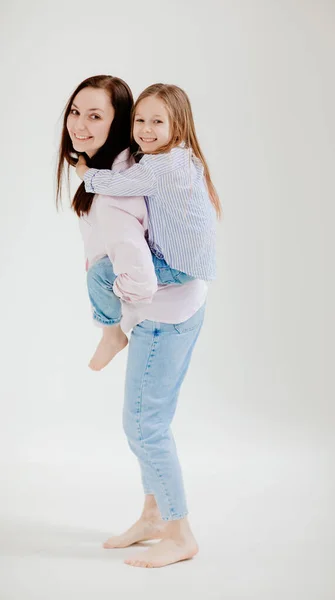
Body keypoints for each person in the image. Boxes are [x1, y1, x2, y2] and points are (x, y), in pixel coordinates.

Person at [56, 75, 210, 568]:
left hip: (164, 314)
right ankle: (154, 515)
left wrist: (122, 303)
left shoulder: (124, 185)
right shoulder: (137, 166)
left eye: (96, 115)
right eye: (75, 111)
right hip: (178, 305)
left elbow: (139, 277)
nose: (80, 123)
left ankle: (179, 531)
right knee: (149, 422)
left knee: (144, 427)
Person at [75, 83, 221, 371]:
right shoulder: (182, 154)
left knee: (99, 275)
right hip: (195, 264)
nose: (145, 130)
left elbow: (119, 185)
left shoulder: (156, 168)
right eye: (139, 120)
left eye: (157, 122)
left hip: (178, 267)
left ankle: (111, 333)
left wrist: (85, 174)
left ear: (177, 128)